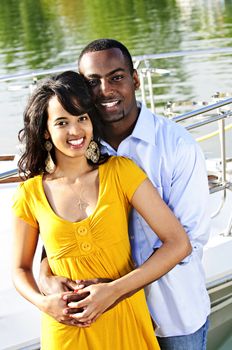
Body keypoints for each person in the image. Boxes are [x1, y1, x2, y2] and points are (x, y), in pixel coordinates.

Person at [39, 39, 211, 350]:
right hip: (104, 319)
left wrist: (116, 289)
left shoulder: (177, 146)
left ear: (134, 79)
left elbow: (188, 241)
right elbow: (56, 224)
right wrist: (45, 276)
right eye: (92, 82)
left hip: (172, 316)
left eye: (116, 77)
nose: (104, 90)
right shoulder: (78, 145)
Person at [12, 70, 191, 350]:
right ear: (46, 131)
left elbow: (178, 243)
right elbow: (20, 269)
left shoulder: (121, 172)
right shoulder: (30, 193)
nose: (75, 131)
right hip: (67, 330)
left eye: (82, 118)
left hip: (125, 319)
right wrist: (44, 303)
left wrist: (114, 291)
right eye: (62, 122)